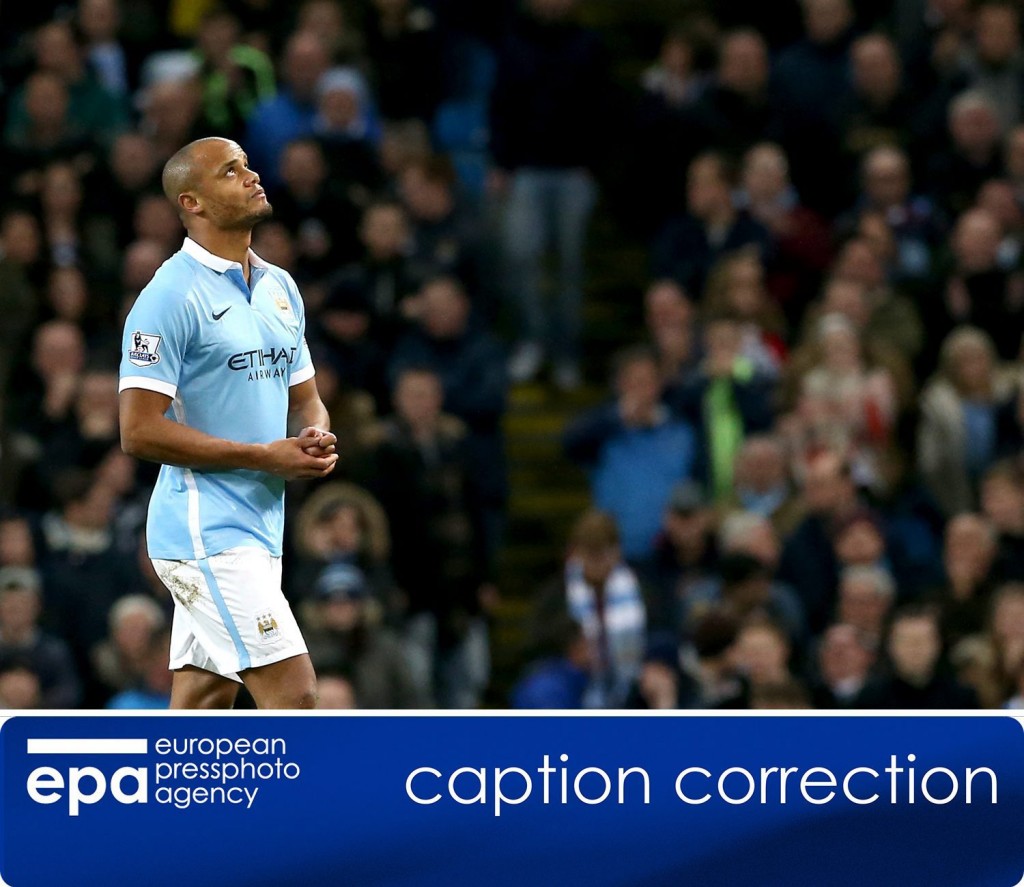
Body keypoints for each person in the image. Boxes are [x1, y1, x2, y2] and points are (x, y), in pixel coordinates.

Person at [118, 136, 338, 710]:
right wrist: (264, 457)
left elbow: (306, 398)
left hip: (261, 527)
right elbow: (137, 431)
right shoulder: (168, 297)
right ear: (191, 202)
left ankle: (163, 779)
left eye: (247, 164)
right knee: (295, 695)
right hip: (204, 533)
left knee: (204, 705)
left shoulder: (279, 286)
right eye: (230, 170)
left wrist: (314, 433)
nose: (251, 175)